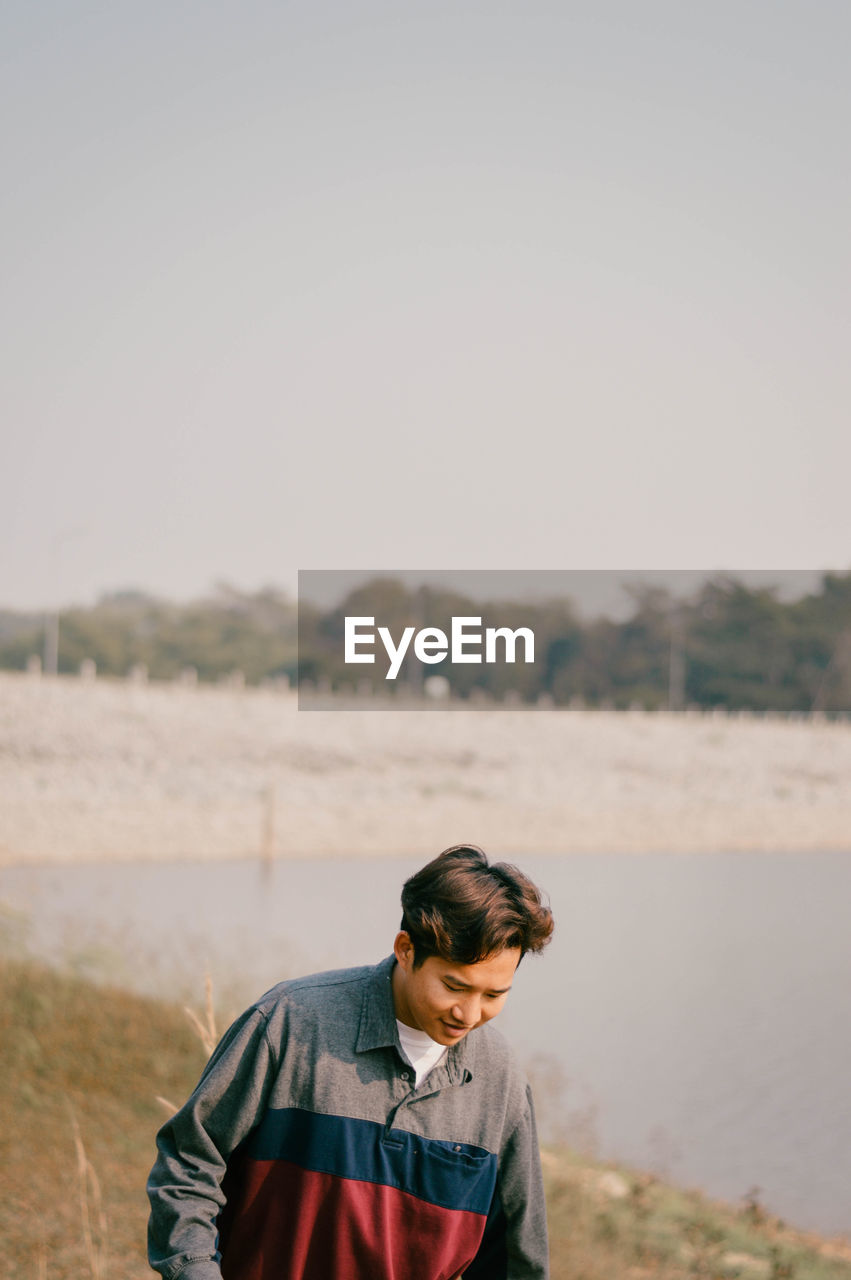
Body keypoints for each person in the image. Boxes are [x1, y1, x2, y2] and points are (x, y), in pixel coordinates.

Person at [147, 844, 555, 1280]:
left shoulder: (501, 1080)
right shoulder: (290, 1022)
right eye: (454, 986)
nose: (470, 1015)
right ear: (405, 949)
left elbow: (516, 1261)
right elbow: (189, 1166)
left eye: (494, 995)